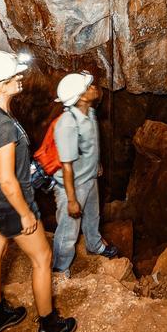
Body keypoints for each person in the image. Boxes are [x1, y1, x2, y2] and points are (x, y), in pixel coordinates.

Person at [0, 50, 77, 332]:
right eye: (12, 76)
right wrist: (25, 213)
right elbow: (6, 178)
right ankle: (49, 327)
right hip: (8, 202)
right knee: (42, 259)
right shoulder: (2, 126)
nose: (19, 78)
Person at [51, 71, 119, 278]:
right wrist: (71, 200)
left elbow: (89, 144)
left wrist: (95, 163)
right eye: (88, 87)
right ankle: (60, 269)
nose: (93, 88)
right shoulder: (67, 124)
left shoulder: (89, 112)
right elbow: (67, 166)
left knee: (93, 216)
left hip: (88, 179)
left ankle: (95, 244)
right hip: (72, 185)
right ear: (80, 97)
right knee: (68, 231)